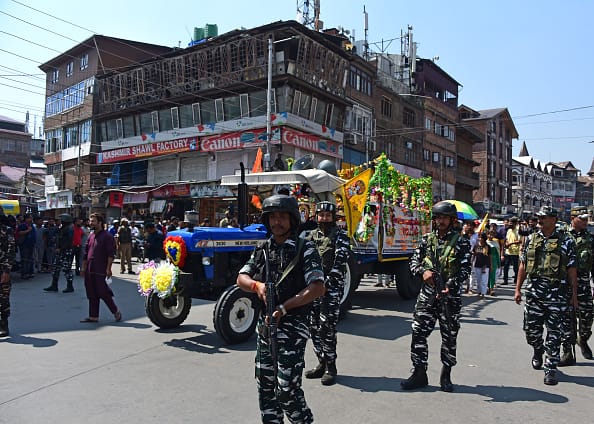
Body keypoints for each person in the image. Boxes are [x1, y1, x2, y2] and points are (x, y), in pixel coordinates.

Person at [237, 194, 325, 424]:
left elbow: (317, 288)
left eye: (282, 217)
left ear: (292, 219)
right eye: (273, 217)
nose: (277, 222)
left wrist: (285, 308)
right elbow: (241, 278)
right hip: (266, 328)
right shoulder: (263, 248)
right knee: (265, 389)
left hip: (292, 327)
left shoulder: (305, 248)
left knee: (286, 390)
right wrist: (257, 286)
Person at [401, 201, 471, 392]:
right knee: (418, 333)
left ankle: (446, 374)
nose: (440, 221)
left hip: (450, 297)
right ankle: (419, 372)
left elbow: (465, 269)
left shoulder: (461, 241)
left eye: (444, 218)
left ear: (451, 220)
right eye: (438, 218)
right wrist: (423, 272)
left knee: (449, 336)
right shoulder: (426, 239)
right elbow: (414, 261)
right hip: (427, 296)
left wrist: (451, 284)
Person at [514, 206, 578, 385]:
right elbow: (523, 265)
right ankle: (537, 349)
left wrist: (574, 296)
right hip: (534, 293)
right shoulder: (531, 239)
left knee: (554, 332)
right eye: (539, 217)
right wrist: (518, 289)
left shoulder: (566, 241)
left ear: (554, 220)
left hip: (557, 294)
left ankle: (550, 368)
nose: (540, 220)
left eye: (545, 217)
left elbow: (572, 270)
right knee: (531, 331)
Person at [303, 201, 350, 386]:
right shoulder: (310, 236)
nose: (324, 218)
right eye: (321, 215)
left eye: (327, 215)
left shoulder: (340, 236)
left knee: (327, 328)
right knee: (313, 327)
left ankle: (331, 366)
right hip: (313, 288)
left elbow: (340, 263)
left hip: (330, 289)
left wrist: (326, 284)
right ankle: (321, 362)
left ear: (333, 218)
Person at [558, 206, 594, 366]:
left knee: (587, 318)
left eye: (587, 219)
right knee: (566, 319)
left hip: (584, 284)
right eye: (583, 218)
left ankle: (583, 339)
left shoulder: (591, 239)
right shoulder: (562, 237)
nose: (586, 221)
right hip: (565, 284)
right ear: (573, 218)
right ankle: (568, 353)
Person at [80, 213, 121, 323]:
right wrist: (83, 268)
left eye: (93, 221)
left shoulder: (107, 236)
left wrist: (108, 269)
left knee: (103, 292)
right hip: (89, 268)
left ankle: (115, 311)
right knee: (91, 292)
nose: (91, 223)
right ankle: (93, 316)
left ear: (100, 223)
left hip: (100, 269)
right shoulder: (91, 236)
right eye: (90, 221)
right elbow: (86, 253)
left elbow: (110, 254)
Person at [44, 214, 75, 293]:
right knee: (56, 268)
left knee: (66, 269)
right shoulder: (61, 228)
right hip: (60, 251)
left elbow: (68, 241)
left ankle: (70, 286)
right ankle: (54, 285)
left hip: (66, 251)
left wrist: (60, 248)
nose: (59, 221)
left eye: (61, 219)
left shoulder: (69, 229)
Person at [0, 206, 16, 337]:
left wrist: (6, 271)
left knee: (3, 298)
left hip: (2, 270)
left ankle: (4, 325)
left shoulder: (7, 231)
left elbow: (11, 252)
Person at [471, 232, 490, 299]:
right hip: (477, 264)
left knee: (484, 280)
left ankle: (483, 294)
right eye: (479, 237)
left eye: (481, 237)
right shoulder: (476, 246)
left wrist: (489, 266)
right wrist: (472, 262)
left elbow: (489, 257)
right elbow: (474, 255)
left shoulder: (487, 246)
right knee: (478, 280)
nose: (480, 239)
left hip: (485, 265)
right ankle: (479, 292)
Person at [17, 213, 36, 279]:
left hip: (31, 244)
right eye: (30, 218)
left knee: (30, 258)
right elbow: (19, 233)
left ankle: (30, 272)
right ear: (26, 218)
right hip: (24, 244)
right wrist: (28, 230)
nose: (31, 219)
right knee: (25, 259)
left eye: (31, 218)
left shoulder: (32, 225)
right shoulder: (22, 225)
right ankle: (24, 273)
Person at [502, 217, 521, 285]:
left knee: (515, 268)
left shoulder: (518, 230)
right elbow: (507, 239)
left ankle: (516, 280)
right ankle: (505, 280)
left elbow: (520, 241)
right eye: (509, 223)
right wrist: (507, 243)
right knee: (506, 267)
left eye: (511, 223)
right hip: (508, 251)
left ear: (515, 224)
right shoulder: (509, 230)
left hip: (515, 252)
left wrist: (511, 243)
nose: (510, 224)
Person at [486, 229, 501, 296]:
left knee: (492, 275)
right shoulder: (485, 242)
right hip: (486, 260)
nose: (491, 236)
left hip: (494, 260)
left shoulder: (496, 243)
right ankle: (486, 288)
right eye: (489, 234)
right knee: (486, 276)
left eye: (492, 234)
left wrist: (498, 262)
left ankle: (491, 289)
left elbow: (497, 254)